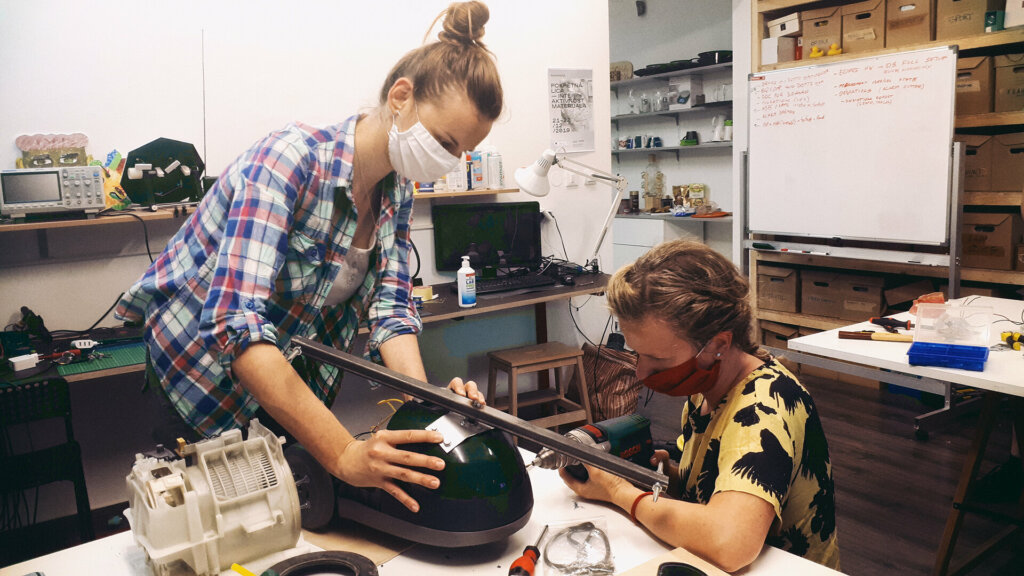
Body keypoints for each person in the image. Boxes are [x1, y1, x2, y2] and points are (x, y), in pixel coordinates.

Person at [115, 1, 501, 514]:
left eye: (461, 152)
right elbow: (238, 326)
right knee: (209, 530)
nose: (449, 161)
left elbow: (390, 310)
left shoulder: (397, 190)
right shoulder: (288, 161)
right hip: (198, 383)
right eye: (446, 142)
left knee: (274, 523)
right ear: (402, 97)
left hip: (287, 387)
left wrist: (426, 402)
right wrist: (343, 452)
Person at [558, 240, 840, 572]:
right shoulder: (708, 387)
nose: (641, 371)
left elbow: (731, 541)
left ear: (718, 344)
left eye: (658, 359)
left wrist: (620, 492)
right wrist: (667, 477)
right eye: (638, 353)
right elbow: (715, 489)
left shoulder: (765, 407)